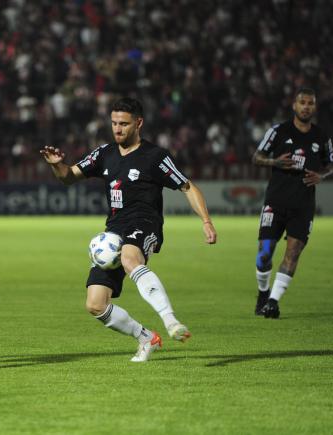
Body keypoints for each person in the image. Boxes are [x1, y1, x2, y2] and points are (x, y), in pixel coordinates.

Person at [40, 97, 217, 362]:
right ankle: (146, 337)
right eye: (114, 123)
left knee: (129, 258)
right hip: (113, 231)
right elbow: (68, 177)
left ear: (139, 123)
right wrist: (56, 164)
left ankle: (170, 321)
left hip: (145, 224)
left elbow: (187, 186)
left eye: (123, 123)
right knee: (95, 304)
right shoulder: (104, 153)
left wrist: (206, 221)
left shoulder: (155, 157)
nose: (118, 129)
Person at [252, 87, 333, 318]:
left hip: (303, 205)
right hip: (275, 201)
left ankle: (273, 302)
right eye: (303, 103)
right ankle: (262, 292)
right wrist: (275, 162)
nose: (306, 106)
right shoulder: (278, 131)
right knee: (264, 254)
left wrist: (322, 175)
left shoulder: (322, 137)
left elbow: (330, 164)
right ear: (294, 106)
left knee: (293, 252)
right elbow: (256, 157)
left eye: (310, 103)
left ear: (314, 107)